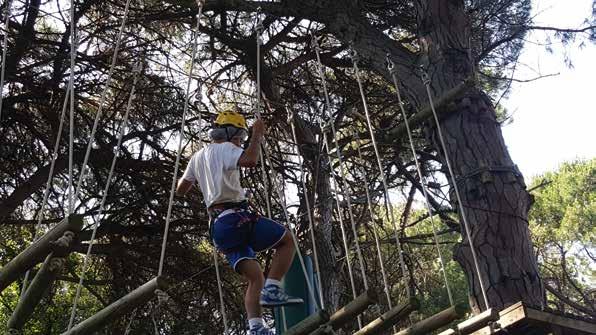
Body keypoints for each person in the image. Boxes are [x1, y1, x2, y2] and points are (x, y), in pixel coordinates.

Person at [176, 110, 303, 335]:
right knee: (287, 240)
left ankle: (255, 327)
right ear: (230, 133)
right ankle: (273, 289)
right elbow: (251, 160)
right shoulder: (227, 148)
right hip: (236, 218)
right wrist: (257, 136)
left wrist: (208, 181)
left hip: (220, 228)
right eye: (239, 136)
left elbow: (181, 190)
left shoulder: (197, 157)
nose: (240, 141)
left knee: (255, 277)